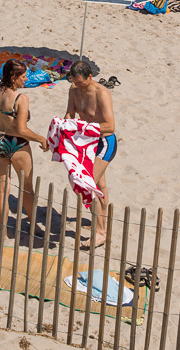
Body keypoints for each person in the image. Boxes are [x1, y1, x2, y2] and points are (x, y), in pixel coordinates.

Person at [0, 59, 47, 237]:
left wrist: (1, 117)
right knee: (27, 187)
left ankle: (2, 230)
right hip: (16, 143)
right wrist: (40, 138)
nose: (26, 80)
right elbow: (22, 130)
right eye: (23, 76)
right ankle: (34, 226)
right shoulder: (21, 98)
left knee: (3, 188)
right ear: (13, 77)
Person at [65, 61, 116, 248]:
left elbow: (110, 126)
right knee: (100, 185)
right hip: (87, 142)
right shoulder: (73, 90)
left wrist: (84, 127)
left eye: (81, 83)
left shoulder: (102, 93)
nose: (78, 86)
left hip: (104, 142)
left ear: (90, 77)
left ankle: (100, 233)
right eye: (74, 83)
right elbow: (70, 115)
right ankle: (101, 222)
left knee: (89, 184)